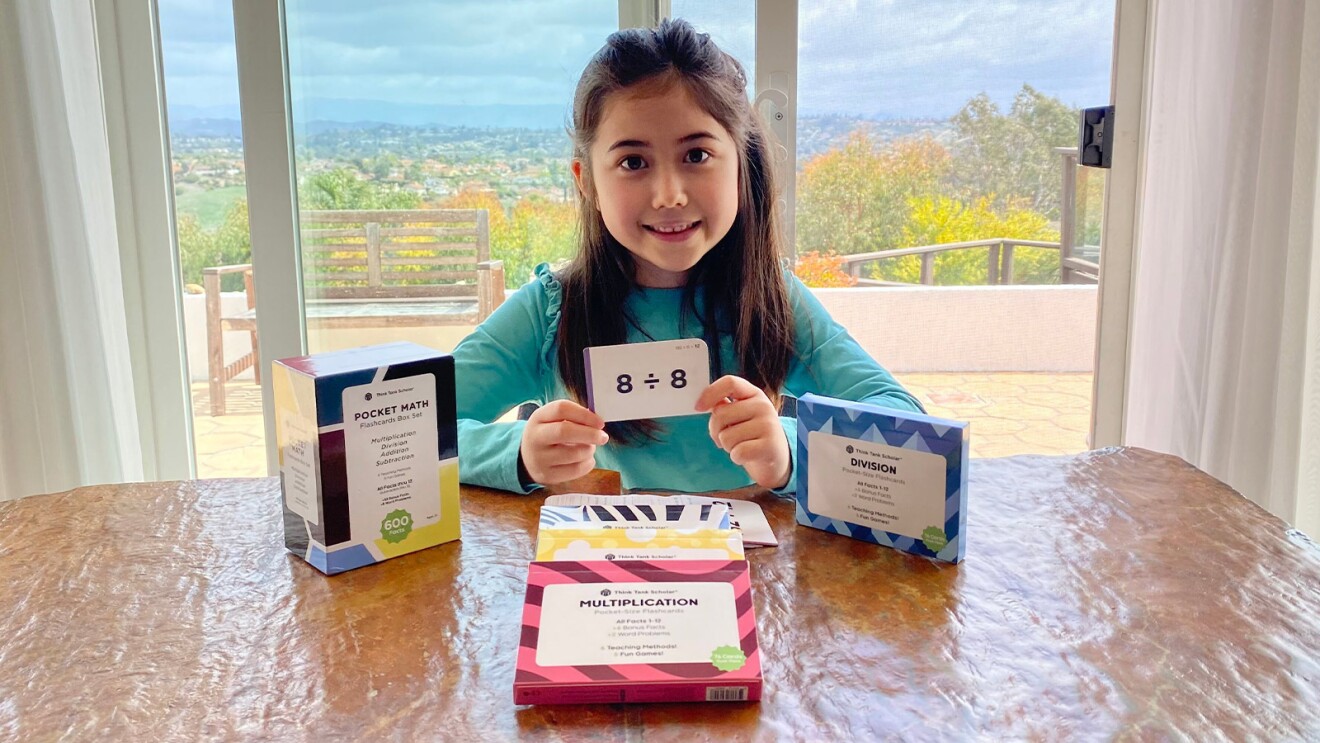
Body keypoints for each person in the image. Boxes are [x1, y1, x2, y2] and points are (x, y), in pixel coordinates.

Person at [453, 18, 924, 494]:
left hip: (750, 564)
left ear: (740, 163)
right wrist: (518, 453)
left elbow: (905, 425)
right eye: (632, 162)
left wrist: (787, 452)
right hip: (599, 563)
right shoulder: (552, 310)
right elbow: (416, 428)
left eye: (696, 155)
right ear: (586, 181)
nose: (669, 195)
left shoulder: (772, 299)